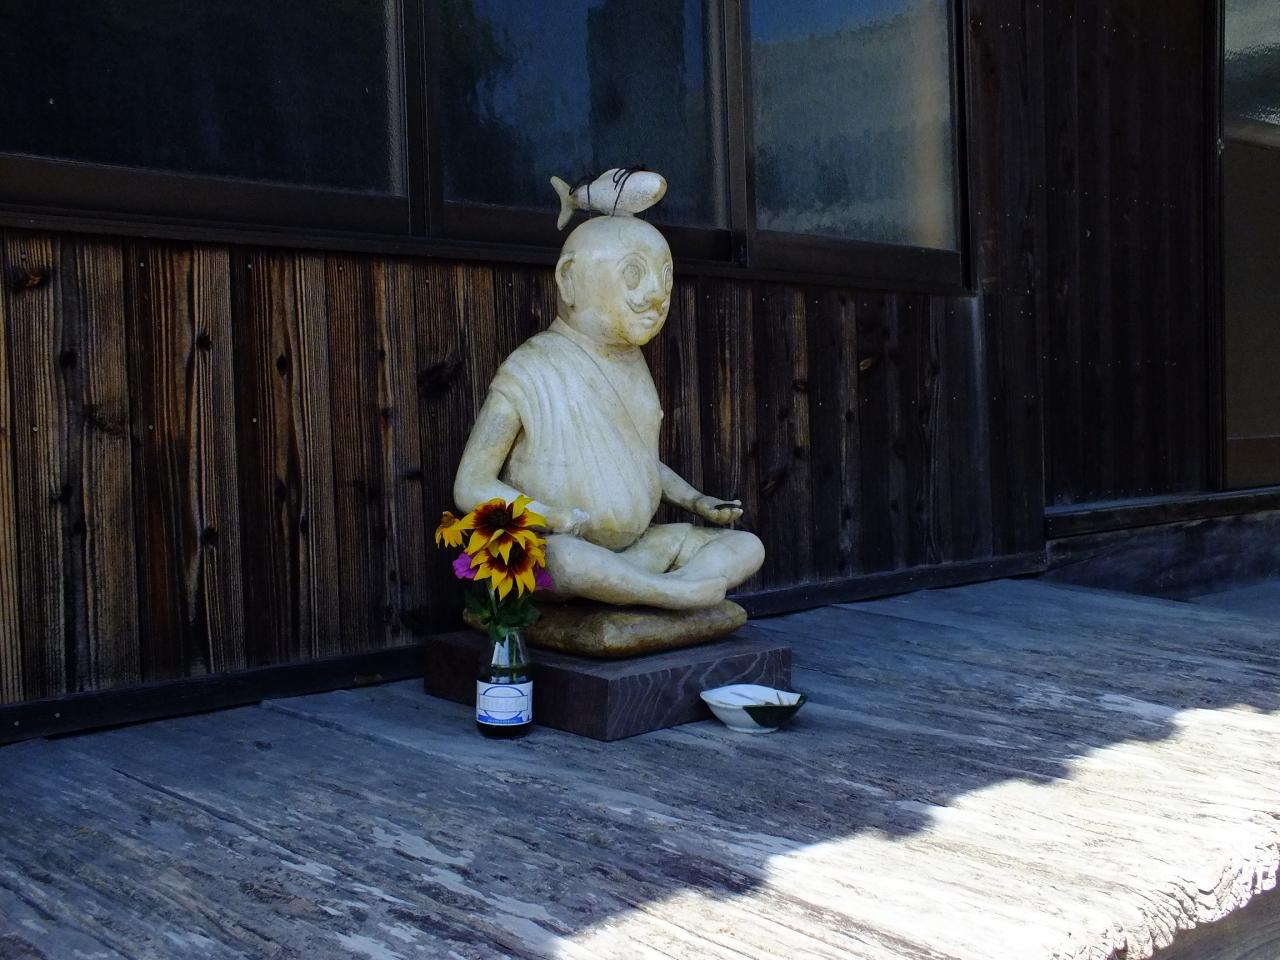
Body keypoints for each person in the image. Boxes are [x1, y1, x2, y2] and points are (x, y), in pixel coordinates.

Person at [453, 213, 764, 610]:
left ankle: (669, 587)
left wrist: (695, 499)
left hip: (638, 551)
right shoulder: (530, 368)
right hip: (569, 551)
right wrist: (547, 515)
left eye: (665, 278)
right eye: (633, 274)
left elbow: (639, 461)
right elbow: (471, 485)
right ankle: (672, 593)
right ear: (569, 279)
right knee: (563, 560)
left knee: (746, 545)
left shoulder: (632, 362)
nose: (657, 296)